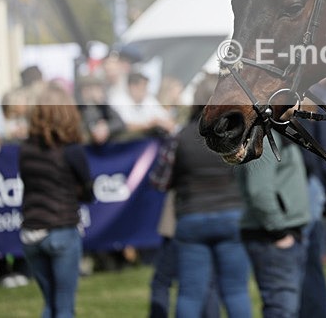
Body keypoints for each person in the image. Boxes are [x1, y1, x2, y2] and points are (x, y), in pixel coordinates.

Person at [170, 74, 252, 318]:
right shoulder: (236, 134)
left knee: (189, 293)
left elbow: (162, 178)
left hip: (192, 216)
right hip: (231, 214)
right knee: (236, 291)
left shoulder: (181, 136)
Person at [19, 84, 94, 318]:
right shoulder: (72, 150)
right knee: (64, 307)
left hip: (31, 232)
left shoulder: (25, 149)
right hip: (61, 229)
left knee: (49, 303)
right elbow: (88, 190)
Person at [237, 130, 311, 318]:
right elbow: (259, 191)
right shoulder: (264, 137)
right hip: (272, 236)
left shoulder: (281, 132)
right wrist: (279, 232)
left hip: (285, 232)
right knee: (281, 308)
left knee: (287, 307)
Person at [109, 72, 176, 139]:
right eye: (143, 87)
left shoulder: (148, 99)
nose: (145, 90)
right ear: (133, 87)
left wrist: (162, 123)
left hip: (145, 140)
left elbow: (167, 119)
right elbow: (125, 126)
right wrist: (150, 125)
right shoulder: (118, 100)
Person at [76, 75, 126, 145]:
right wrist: (95, 129)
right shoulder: (77, 107)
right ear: (84, 91)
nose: (100, 93)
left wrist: (106, 127)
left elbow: (120, 122)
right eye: (95, 89)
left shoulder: (103, 105)